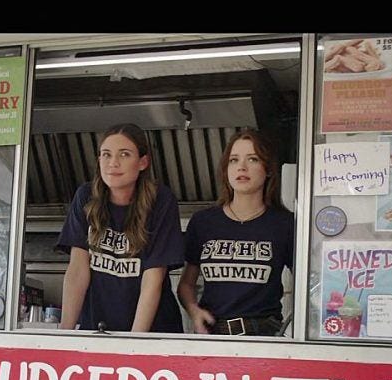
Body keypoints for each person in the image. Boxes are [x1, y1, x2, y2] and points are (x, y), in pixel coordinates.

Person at [56, 123, 184, 333]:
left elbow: (153, 278)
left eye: (124, 154)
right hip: (97, 330)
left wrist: (133, 343)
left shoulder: (161, 201)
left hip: (153, 334)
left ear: (143, 162)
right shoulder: (85, 197)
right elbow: (77, 270)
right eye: (106, 154)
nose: (113, 163)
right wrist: (64, 334)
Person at [178, 128, 294, 336]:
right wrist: (194, 312)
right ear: (226, 169)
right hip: (213, 336)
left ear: (268, 169)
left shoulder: (284, 224)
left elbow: (310, 284)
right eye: (233, 160)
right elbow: (186, 284)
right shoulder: (203, 222)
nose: (241, 167)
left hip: (264, 336)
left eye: (252, 159)